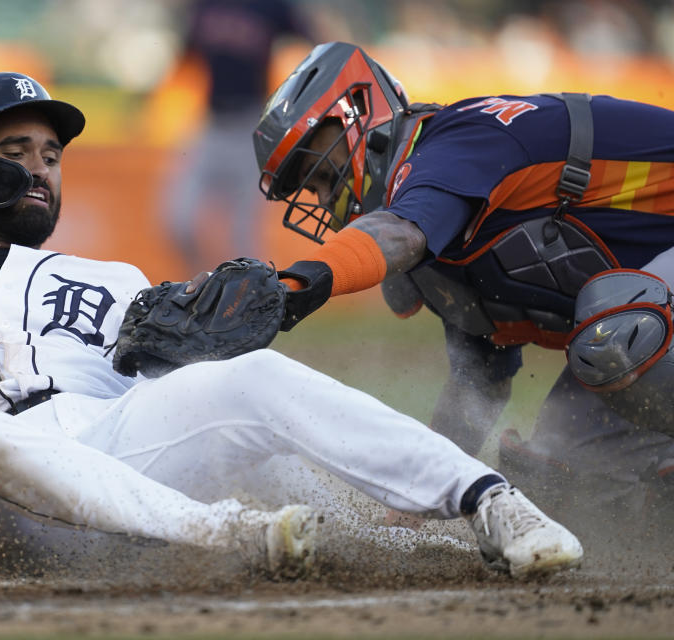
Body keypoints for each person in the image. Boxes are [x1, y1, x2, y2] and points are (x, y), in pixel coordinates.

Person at [0, 71, 583, 579]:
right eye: (16, 152)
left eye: (52, 157)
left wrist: (217, 357)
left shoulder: (115, 278)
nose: (43, 171)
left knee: (241, 381)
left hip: (121, 472)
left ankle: (488, 506)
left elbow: (214, 415)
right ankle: (230, 538)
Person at [251, 41, 674, 541]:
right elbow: (479, 383)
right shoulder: (437, 222)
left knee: (619, 338)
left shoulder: (457, 142)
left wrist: (287, 288)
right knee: (562, 479)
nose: (324, 197)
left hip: (639, 313)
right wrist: (415, 502)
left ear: (362, 114)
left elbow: (400, 235)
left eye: (321, 172)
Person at [162, 0, 313, 272]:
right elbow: (186, 55)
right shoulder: (204, 5)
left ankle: (252, 303)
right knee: (178, 219)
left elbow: (314, 43)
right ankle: (200, 292)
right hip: (211, 125)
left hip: (251, 128)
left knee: (245, 236)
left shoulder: (272, 6)